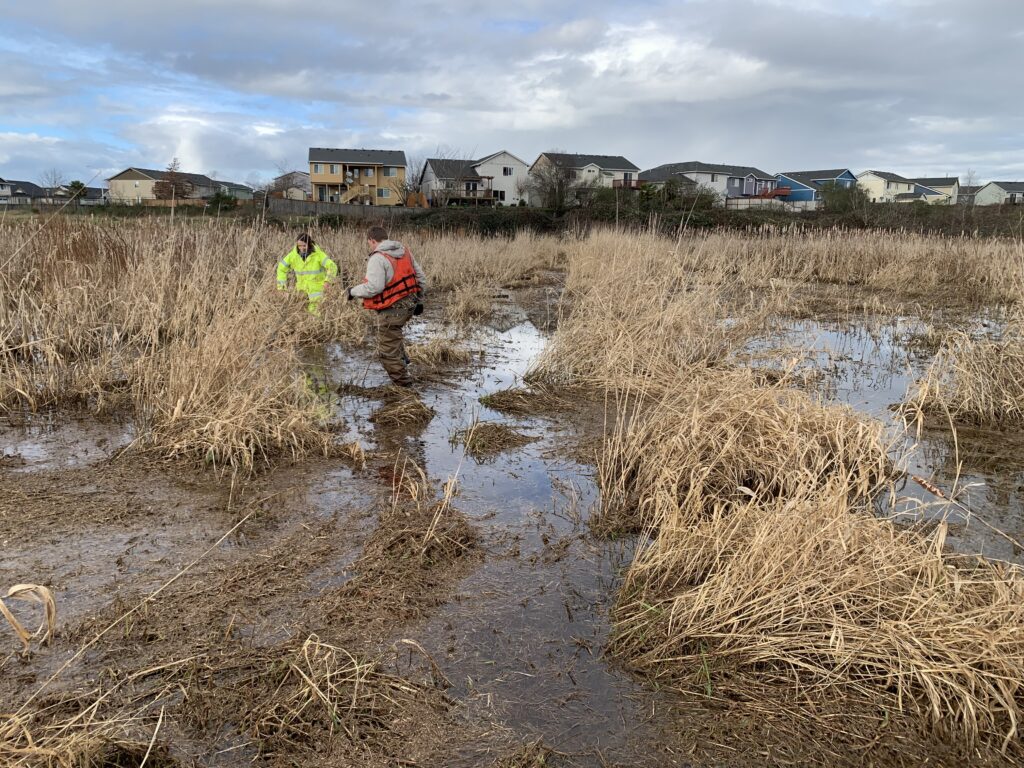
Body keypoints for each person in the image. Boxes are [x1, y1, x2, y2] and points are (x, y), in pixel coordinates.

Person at [346, 225, 426, 387]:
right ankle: (403, 363)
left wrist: (352, 292)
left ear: (372, 240)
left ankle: (404, 387)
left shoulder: (378, 258)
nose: (369, 246)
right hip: (409, 305)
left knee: (387, 352)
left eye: (369, 243)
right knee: (393, 336)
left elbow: (373, 288)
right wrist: (419, 300)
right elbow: (421, 278)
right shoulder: (404, 251)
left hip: (392, 311)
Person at [276, 233, 339, 314]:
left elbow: (332, 266)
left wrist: (327, 281)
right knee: (301, 318)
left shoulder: (318, 255)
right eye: (299, 246)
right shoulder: (293, 256)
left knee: (315, 318)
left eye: (304, 245)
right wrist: (282, 288)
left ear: (309, 244)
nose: (301, 248)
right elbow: (281, 268)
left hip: (317, 293)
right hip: (301, 295)